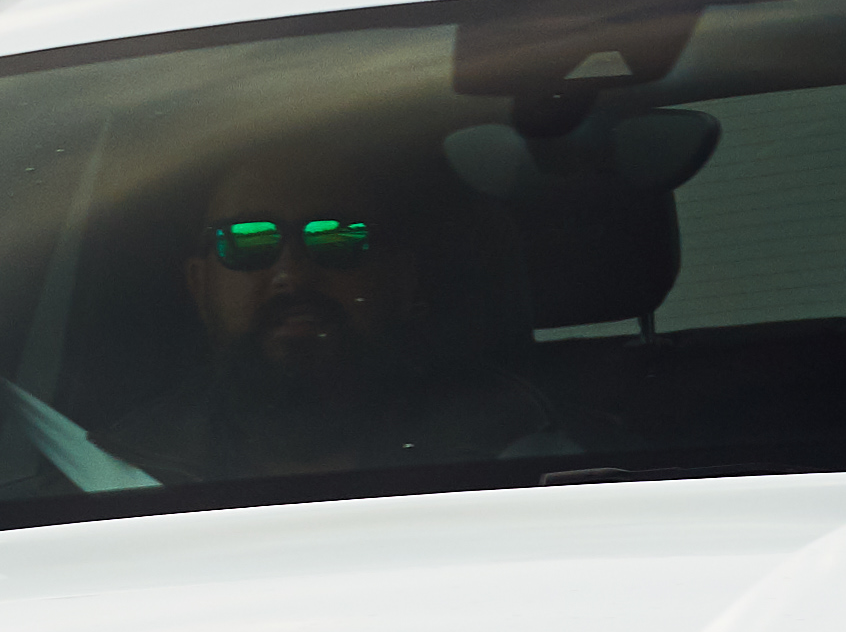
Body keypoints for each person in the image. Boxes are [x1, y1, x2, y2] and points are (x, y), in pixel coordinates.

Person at [141, 129, 565, 483]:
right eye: (249, 241)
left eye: (336, 239)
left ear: (402, 280)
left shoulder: (529, 456)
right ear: (200, 285)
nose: (292, 274)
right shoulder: (118, 473)